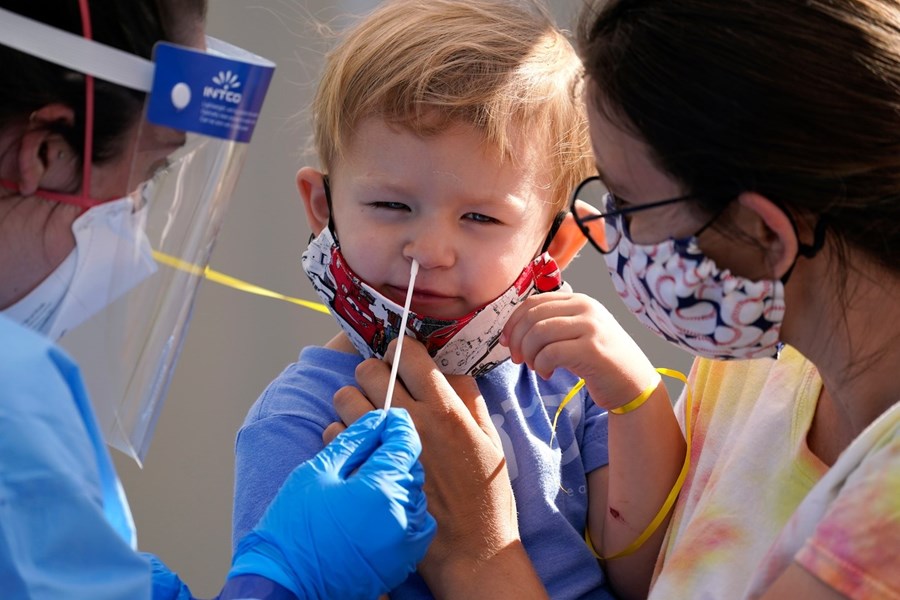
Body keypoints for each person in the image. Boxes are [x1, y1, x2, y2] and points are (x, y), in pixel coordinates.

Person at [336, 0, 900, 598]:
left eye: (628, 201)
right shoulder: (749, 373)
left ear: (762, 233)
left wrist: (474, 553)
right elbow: (638, 575)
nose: (606, 232)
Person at [232, 1, 686, 598]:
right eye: (391, 206)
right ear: (323, 208)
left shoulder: (575, 383)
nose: (429, 250)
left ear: (561, 241)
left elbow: (651, 577)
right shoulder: (300, 420)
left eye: (479, 216)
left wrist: (636, 396)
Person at [0, 1, 434, 599]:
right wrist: (289, 580)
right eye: (149, 175)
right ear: (45, 152)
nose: (432, 250)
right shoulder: (11, 406)